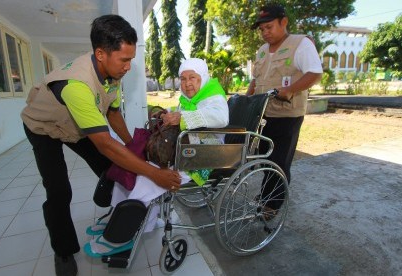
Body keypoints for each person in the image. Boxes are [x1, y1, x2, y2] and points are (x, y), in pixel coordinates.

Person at [20, 14, 181, 276]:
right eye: (125, 60)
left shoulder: (111, 73)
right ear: (101, 53)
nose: (129, 66)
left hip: (74, 125)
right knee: (59, 190)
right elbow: (105, 143)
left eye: (131, 59)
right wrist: (154, 173)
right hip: (43, 128)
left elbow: (113, 113)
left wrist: (133, 146)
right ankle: (63, 251)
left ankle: (114, 212)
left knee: (115, 166)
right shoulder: (76, 86)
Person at [84, 58, 229, 257]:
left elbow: (221, 118)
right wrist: (168, 114)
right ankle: (119, 217)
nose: (187, 83)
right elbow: (180, 114)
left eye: (192, 78)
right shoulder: (187, 99)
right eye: (183, 78)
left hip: (205, 154)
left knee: (148, 178)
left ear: (203, 78)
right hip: (184, 149)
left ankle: (121, 234)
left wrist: (182, 118)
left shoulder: (213, 96)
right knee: (133, 168)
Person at [247, 4, 322, 214]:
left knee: (279, 162)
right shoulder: (261, 51)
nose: (265, 33)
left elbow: (315, 73)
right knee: (265, 159)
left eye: (269, 27)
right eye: (262, 29)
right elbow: (255, 80)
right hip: (263, 115)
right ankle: (266, 195)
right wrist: (246, 98)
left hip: (288, 115)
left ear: (284, 22)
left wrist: (290, 90)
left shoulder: (300, 44)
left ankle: (271, 206)